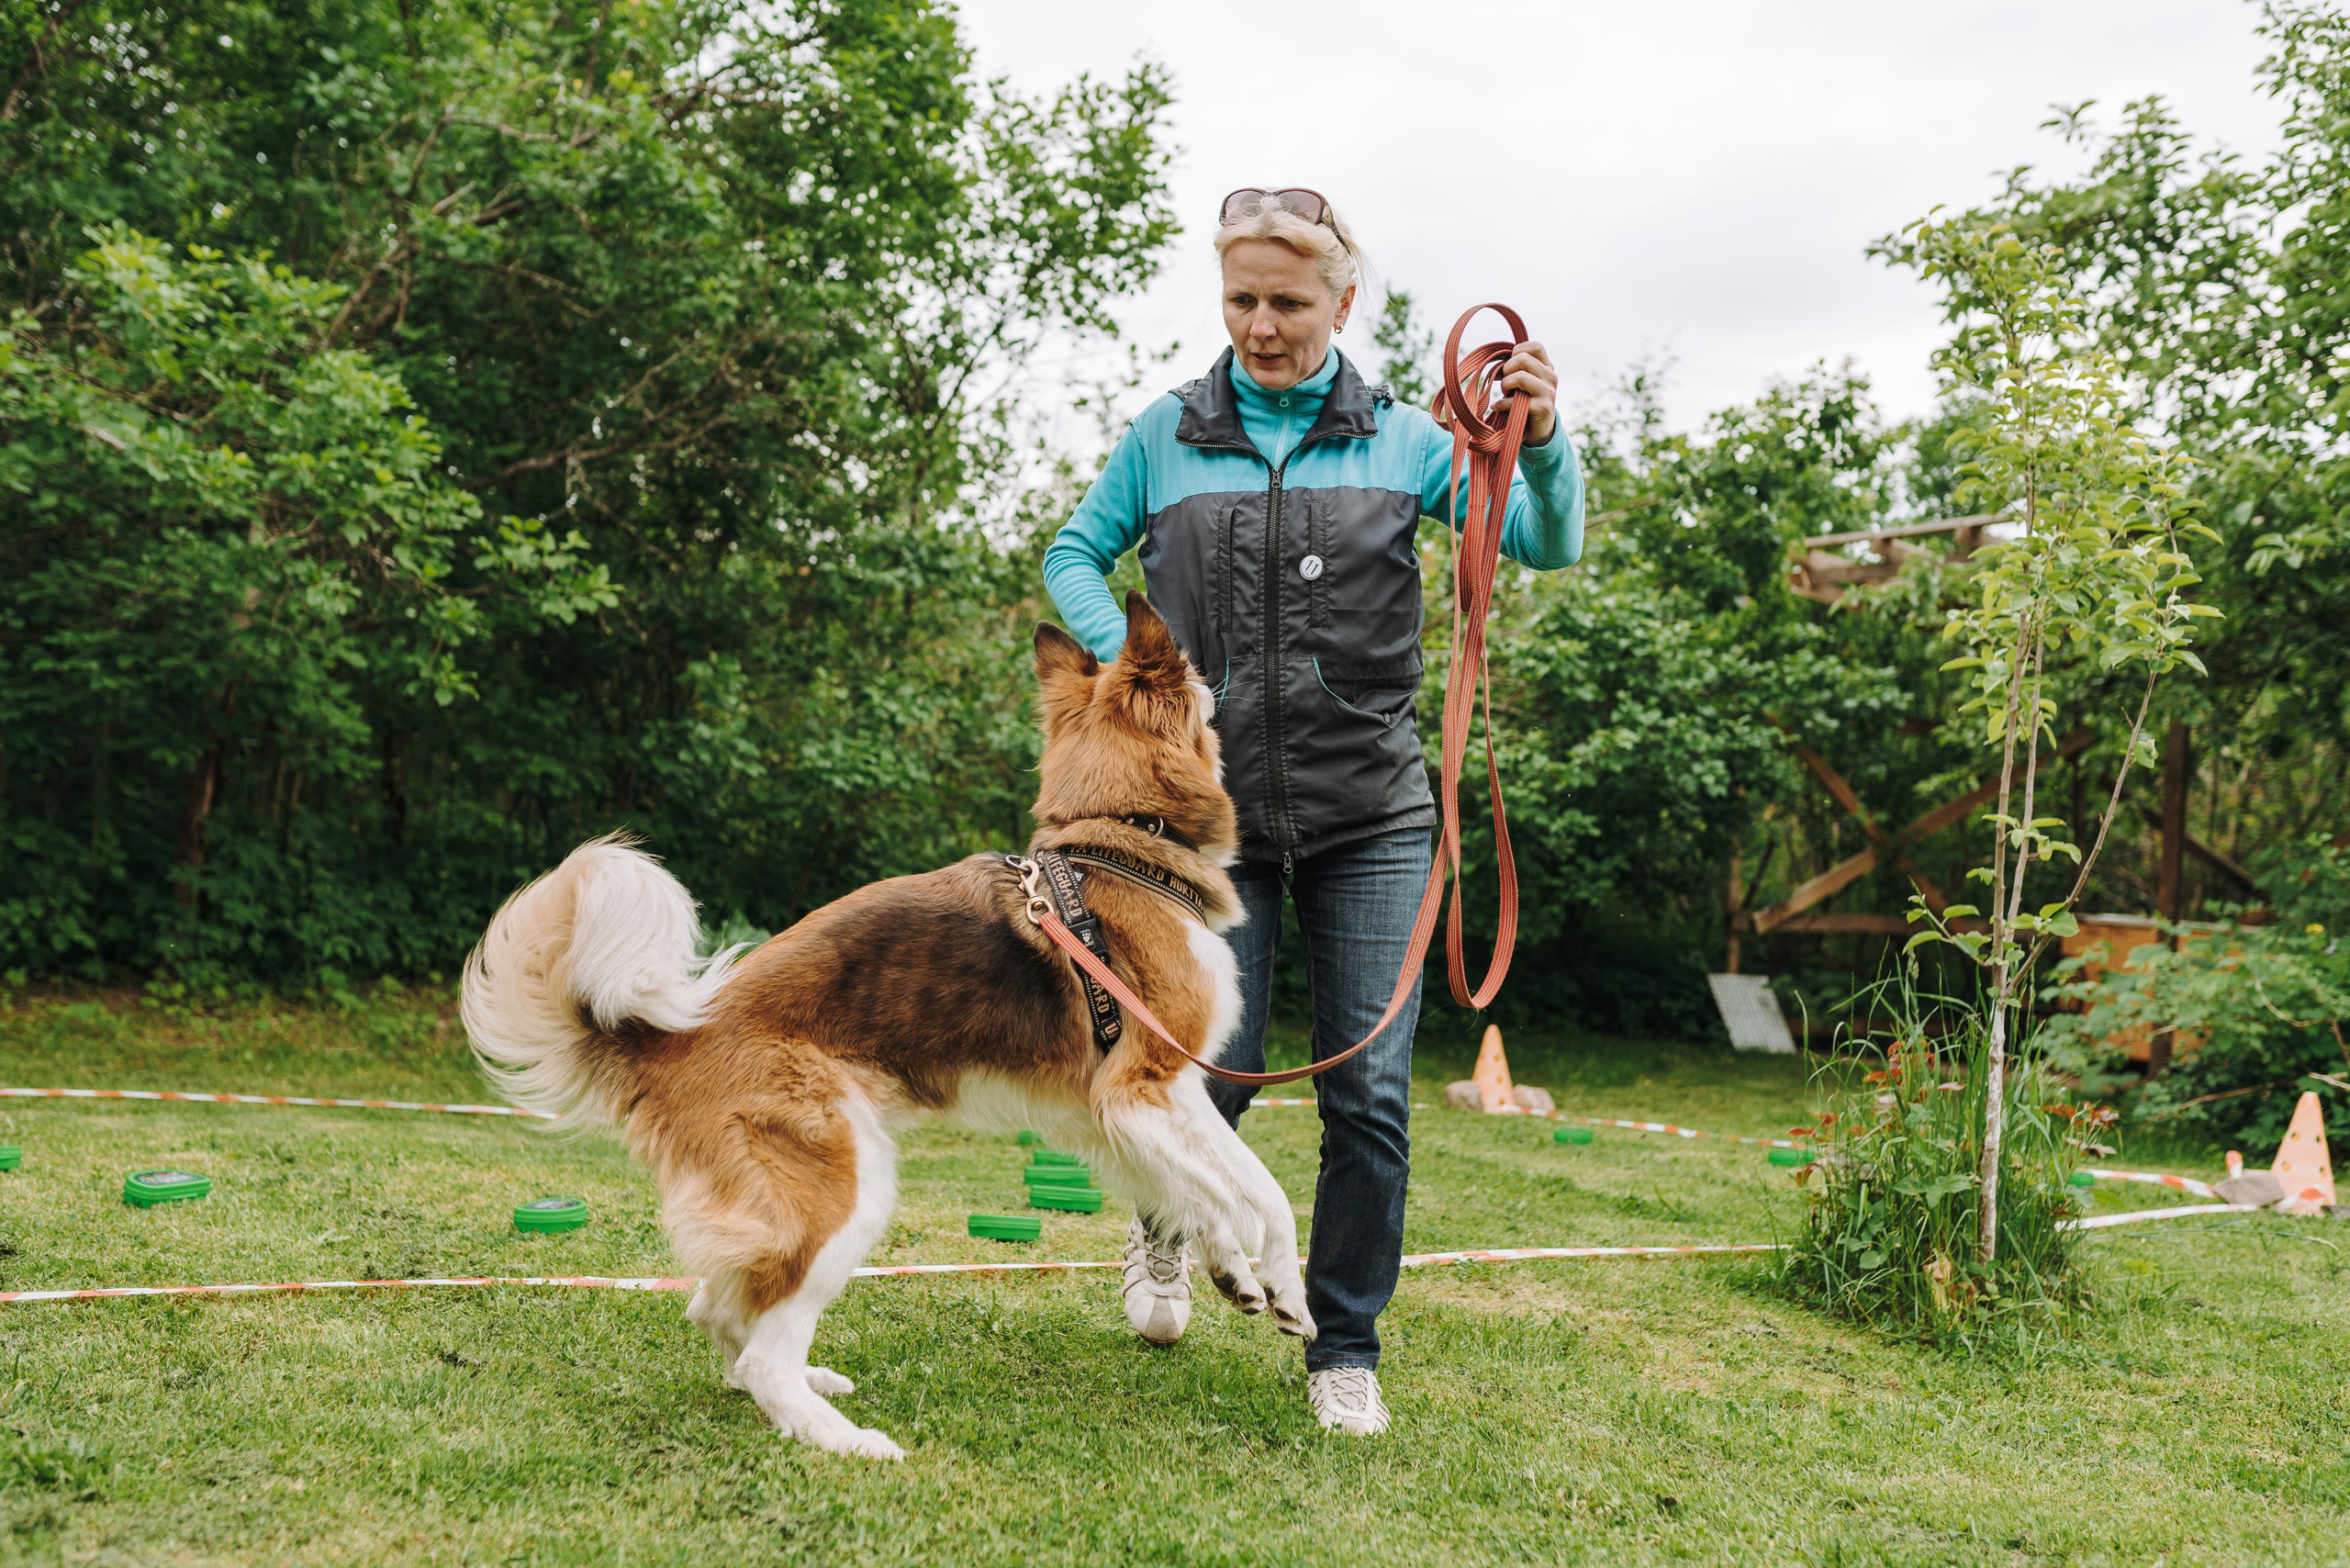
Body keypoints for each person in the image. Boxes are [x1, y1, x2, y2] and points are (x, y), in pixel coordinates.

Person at [1041, 187, 1583, 1436]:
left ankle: (1344, 1345)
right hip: (1212, 828)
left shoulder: (1407, 441)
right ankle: (1166, 1230)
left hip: (1373, 818)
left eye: (1289, 302)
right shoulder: (1163, 436)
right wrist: (1137, 671)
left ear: (1345, 303)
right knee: (1199, 1076)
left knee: (1371, 1094)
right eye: (1242, 300)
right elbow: (1077, 554)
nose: (1263, 325)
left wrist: (1543, 442)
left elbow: (1540, 543)